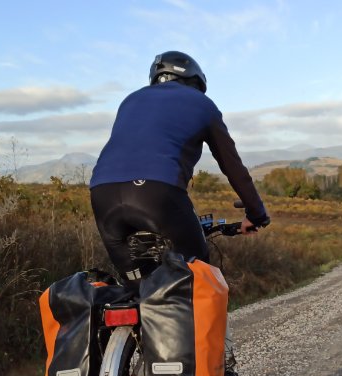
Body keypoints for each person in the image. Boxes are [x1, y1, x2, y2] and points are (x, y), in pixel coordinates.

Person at [89, 50, 270, 288]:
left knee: (135, 289)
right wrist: (256, 214)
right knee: (198, 278)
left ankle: (128, 318)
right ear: (195, 81)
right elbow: (232, 166)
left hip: (102, 195)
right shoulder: (202, 104)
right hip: (157, 194)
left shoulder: (130, 100)